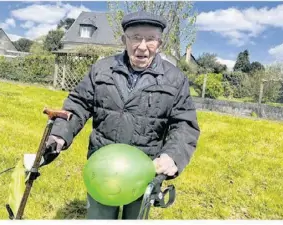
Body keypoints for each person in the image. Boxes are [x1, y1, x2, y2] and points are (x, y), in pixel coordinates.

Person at [42, 11, 200, 219]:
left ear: (159, 43)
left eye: (151, 39)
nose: (142, 46)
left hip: (144, 172)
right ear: (124, 39)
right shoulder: (102, 69)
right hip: (102, 168)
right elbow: (78, 104)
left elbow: (185, 124)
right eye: (135, 37)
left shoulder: (175, 79)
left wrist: (173, 156)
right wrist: (59, 135)